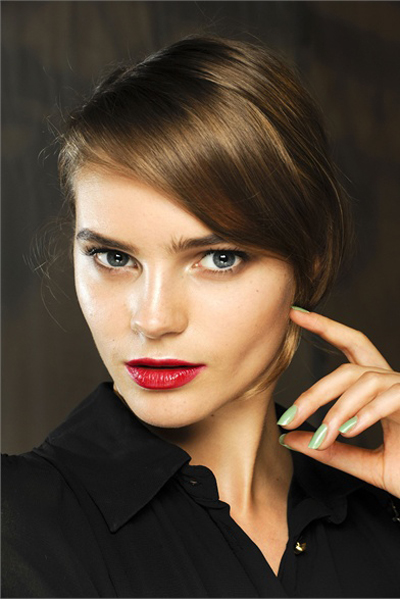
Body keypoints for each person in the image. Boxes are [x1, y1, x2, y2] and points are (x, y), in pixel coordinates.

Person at [2, 34, 400, 599]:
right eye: (113, 257)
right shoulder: (17, 523)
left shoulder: (383, 507)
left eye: (218, 258)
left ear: (307, 264)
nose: (152, 319)